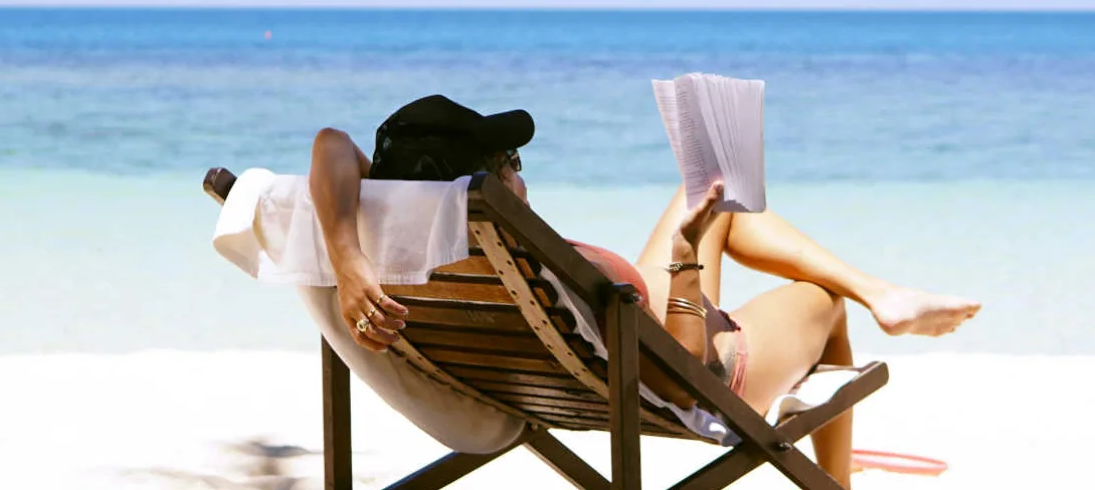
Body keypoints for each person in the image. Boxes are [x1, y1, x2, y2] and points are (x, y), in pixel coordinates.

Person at [308, 95, 980, 486]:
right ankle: (867, 315)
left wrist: (348, 263)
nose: (519, 174)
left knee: (709, 192)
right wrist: (684, 258)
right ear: (494, 185)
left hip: (531, 368)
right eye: (510, 163)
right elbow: (689, 387)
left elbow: (331, 142)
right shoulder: (579, 268)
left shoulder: (383, 238)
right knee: (823, 302)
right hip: (676, 377)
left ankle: (882, 293)